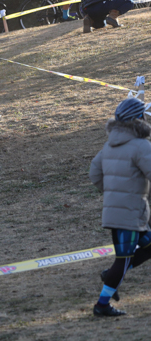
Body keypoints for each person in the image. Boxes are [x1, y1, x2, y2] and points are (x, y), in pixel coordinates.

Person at [89, 97, 151, 317]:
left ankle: (110, 274)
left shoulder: (109, 145)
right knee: (122, 259)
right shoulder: (141, 145)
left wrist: (113, 192)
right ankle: (102, 304)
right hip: (130, 214)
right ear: (139, 118)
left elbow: (94, 173)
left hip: (123, 212)